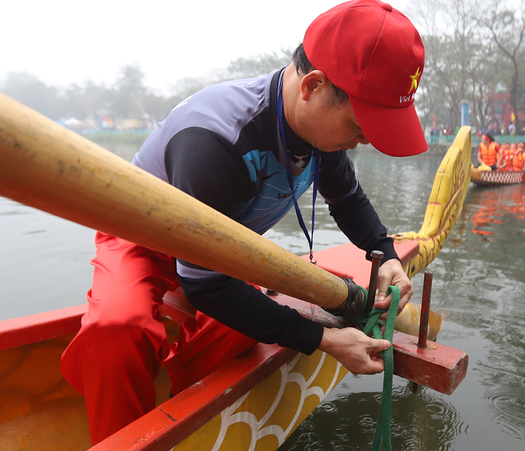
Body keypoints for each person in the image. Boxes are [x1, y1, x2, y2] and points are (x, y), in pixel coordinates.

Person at [60, 0, 425, 444]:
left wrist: (385, 256)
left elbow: (347, 199)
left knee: (244, 333)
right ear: (313, 86)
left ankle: (180, 404)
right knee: (117, 332)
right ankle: (121, 436)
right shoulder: (215, 138)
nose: (363, 141)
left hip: (223, 248)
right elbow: (206, 283)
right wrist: (324, 340)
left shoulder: (321, 135)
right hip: (141, 235)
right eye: (361, 126)